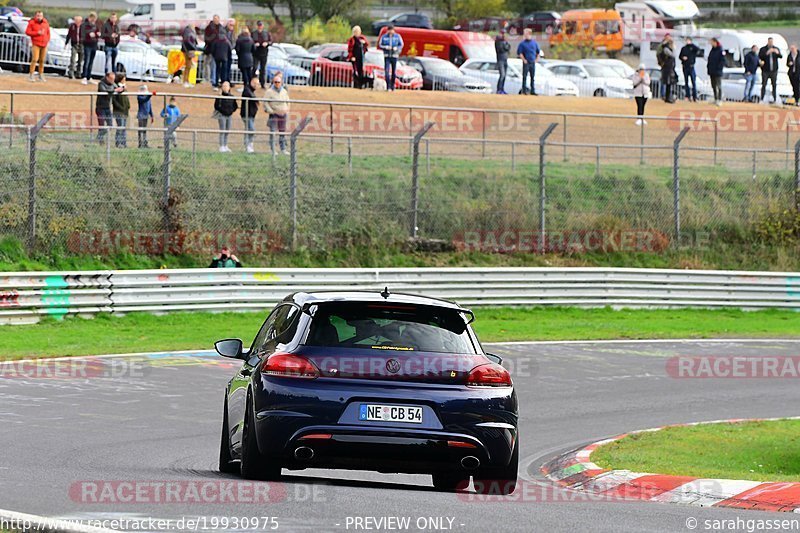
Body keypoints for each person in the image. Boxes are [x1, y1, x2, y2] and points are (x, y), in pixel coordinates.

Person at [264, 73, 290, 155]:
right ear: (273, 82)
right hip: (274, 114)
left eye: (278, 82)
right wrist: (271, 111)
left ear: (281, 82)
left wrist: (287, 109)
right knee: (273, 132)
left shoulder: (284, 91)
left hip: (283, 114)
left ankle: (283, 149)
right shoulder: (269, 92)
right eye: (275, 82)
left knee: (282, 132)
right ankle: (273, 149)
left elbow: (288, 101)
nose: (277, 84)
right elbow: (265, 102)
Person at [96, 71, 122, 143]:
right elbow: (104, 91)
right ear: (107, 77)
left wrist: (121, 89)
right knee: (101, 125)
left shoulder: (113, 83)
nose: (113, 81)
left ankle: (99, 136)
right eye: (111, 79)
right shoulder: (101, 83)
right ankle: (100, 141)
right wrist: (115, 90)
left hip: (108, 107)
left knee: (110, 125)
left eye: (114, 79)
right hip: (100, 108)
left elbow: (117, 89)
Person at [25, 11, 50, 82]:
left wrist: (47, 40)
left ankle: (41, 74)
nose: (39, 17)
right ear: (35, 16)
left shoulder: (45, 23)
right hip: (36, 44)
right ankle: (31, 74)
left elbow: (48, 33)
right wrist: (36, 33)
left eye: (41, 16)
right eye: (38, 16)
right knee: (35, 59)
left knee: (42, 60)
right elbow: (27, 32)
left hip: (44, 44)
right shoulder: (32, 23)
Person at [214, 81, 237, 152]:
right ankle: (221, 146)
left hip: (229, 115)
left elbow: (235, 106)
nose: (225, 87)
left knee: (227, 130)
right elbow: (216, 106)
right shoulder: (220, 97)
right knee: (222, 130)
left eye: (227, 86)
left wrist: (231, 111)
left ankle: (225, 145)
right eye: (224, 86)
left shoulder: (232, 97)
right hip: (222, 115)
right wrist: (222, 110)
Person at [378, 25, 403, 91]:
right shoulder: (384, 36)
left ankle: (392, 86)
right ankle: (388, 86)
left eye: (392, 30)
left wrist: (396, 48)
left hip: (394, 56)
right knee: (386, 71)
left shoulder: (397, 36)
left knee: (394, 72)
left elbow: (401, 44)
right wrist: (385, 47)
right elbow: (380, 44)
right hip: (387, 56)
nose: (390, 31)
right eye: (389, 30)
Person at [759, 37, 782, 104]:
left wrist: (777, 53)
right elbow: (760, 56)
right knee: (764, 84)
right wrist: (767, 53)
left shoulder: (776, 48)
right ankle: (762, 99)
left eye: (771, 42)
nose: (771, 43)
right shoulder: (763, 49)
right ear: (768, 42)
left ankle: (774, 99)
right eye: (769, 42)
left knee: (774, 85)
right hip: (765, 70)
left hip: (774, 70)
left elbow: (781, 56)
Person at [517, 28, 540, 95]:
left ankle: (532, 91)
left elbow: (538, 52)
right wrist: (524, 60)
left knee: (532, 77)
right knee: (525, 76)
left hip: (532, 62)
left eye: (526, 34)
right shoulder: (522, 44)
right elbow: (520, 53)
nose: (525, 35)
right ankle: (524, 91)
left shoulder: (534, 43)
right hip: (526, 62)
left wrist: (536, 59)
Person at [240, 77, 259, 153]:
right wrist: (256, 100)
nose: (256, 85)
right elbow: (249, 95)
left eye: (257, 84)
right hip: (246, 114)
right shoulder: (247, 89)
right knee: (251, 129)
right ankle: (248, 144)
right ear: (251, 82)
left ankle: (249, 145)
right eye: (255, 83)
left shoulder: (252, 91)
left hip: (251, 114)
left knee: (248, 129)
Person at [347, 25, 369, 89]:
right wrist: (352, 57)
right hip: (354, 56)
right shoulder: (352, 39)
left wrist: (364, 43)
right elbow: (350, 49)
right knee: (355, 71)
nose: (357, 33)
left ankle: (361, 85)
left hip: (361, 56)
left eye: (358, 31)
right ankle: (355, 84)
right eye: (356, 32)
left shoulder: (362, 38)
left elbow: (367, 45)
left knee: (360, 70)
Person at [679, 36, 699, 102]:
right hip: (685, 66)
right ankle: (687, 96)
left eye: (688, 40)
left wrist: (691, 44)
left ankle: (695, 97)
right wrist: (683, 58)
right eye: (686, 40)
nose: (687, 41)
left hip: (691, 66)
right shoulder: (683, 48)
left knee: (693, 82)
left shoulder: (693, 48)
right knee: (686, 82)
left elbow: (698, 49)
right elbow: (680, 56)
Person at [80, 13, 99, 84]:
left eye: (94, 18)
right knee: (86, 61)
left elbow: (98, 34)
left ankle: (89, 76)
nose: (93, 19)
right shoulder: (84, 26)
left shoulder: (96, 26)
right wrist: (89, 35)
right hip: (87, 45)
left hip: (94, 45)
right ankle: (84, 76)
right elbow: (82, 36)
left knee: (91, 62)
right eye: (92, 18)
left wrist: (97, 35)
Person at [657, 34, 676, 103]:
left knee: (668, 82)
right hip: (667, 67)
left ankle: (667, 96)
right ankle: (666, 97)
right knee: (667, 82)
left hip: (667, 67)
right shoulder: (666, 49)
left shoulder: (664, 48)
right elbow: (673, 55)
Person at [112, 73, 130, 148]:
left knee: (123, 128)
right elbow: (114, 99)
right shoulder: (116, 87)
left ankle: (124, 143)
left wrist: (128, 106)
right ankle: (118, 143)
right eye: (123, 78)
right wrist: (119, 107)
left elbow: (126, 98)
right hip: (119, 111)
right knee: (120, 127)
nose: (124, 79)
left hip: (125, 110)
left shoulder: (124, 87)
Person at [253, 20, 272, 89]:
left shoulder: (266, 33)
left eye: (261, 25)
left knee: (263, 69)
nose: (260, 27)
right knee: (254, 68)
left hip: (264, 53)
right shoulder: (254, 33)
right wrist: (255, 44)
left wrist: (267, 43)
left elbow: (271, 41)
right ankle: (253, 82)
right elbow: (251, 41)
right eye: (259, 25)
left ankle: (262, 83)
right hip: (256, 53)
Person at [204, 15, 220, 88]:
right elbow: (206, 38)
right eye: (215, 19)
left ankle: (213, 79)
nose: (216, 20)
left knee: (214, 65)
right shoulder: (209, 28)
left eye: (217, 19)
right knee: (208, 64)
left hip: (217, 50)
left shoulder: (220, 27)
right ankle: (208, 79)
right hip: (210, 49)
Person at [707, 37, 725, 106]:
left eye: (711, 42)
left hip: (718, 71)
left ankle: (719, 99)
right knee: (713, 86)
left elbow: (723, 61)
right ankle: (715, 98)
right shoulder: (712, 50)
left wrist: (719, 68)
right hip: (712, 71)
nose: (710, 43)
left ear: (715, 42)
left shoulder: (720, 50)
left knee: (719, 86)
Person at [136, 84, 154, 148]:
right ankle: (140, 143)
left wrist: (152, 115)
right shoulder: (140, 97)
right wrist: (149, 96)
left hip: (146, 115)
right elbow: (144, 99)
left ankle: (145, 143)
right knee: (141, 130)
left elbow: (150, 106)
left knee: (144, 130)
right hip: (141, 115)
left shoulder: (147, 97)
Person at [181, 23, 198, 88]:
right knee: (188, 66)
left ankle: (187, 81)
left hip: (188, 50)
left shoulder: (187, 31)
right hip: (188, 50)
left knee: (189, 66)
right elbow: (188, 41)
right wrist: (194, 47)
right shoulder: (189, 32)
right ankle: (185, 81)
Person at [67, 15, 83, 80]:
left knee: (80, 60)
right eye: (75, 20)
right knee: (73, 59)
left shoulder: (83, 27)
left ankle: (78, 73)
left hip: (82, 44)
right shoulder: (72, 26)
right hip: (74, 44)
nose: (76, 21)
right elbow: (69, 34)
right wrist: (66, 43)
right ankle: (71, 73)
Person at [494, 29, 510, 94]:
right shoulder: (498, 41)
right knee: (502, 75)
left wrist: (506, 44)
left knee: (504, 75)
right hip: (500, 60)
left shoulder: (504, 41)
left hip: (505, 59)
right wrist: (505, 45)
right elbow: (502, 49)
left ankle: (502, 89)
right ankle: (499, 89)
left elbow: (508, 47)